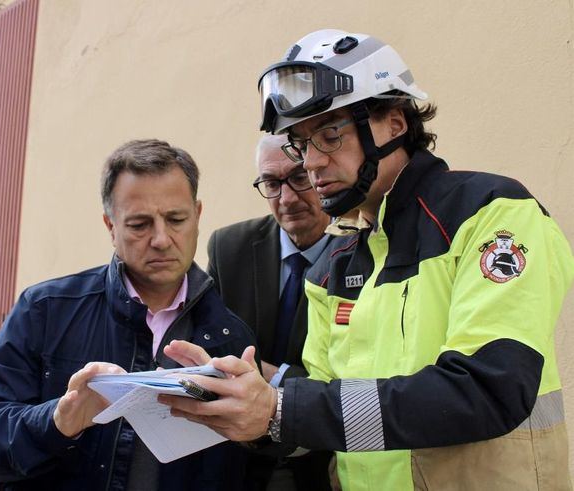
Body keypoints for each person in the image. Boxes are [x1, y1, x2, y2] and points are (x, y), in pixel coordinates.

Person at [160, 29, 574, 490]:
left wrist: (281, 407)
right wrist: (248, 395)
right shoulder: (335, 263)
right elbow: (323, 410)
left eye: (330, 136)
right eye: (301, 142)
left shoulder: (491, 215)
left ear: (395, 123)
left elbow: (487, 390)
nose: (312, 162)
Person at [0, 139, 257, 490]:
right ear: (110, 226)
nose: (161, 239)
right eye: (139, 225)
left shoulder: (229, 335)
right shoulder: (45, 309)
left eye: (176, 219)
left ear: (198, 215)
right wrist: (57, 421)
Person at [207, 134, 333, 490]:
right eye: (272, 183)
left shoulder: (360, 251)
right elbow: (208, 342)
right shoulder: (228, 248)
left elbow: (353, 381)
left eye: (298, 177)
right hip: (235, 458)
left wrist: (273, 377)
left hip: (321, 461)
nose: (287, 198)